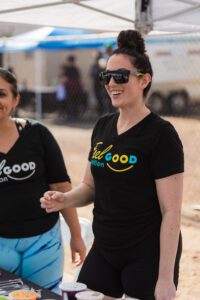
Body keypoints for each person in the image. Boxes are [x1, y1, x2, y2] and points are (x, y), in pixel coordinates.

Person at [40, 30, 184, 300]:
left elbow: (171, 212)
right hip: (105, 245)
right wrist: (65, 199)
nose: (111, 83)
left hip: (146, 251)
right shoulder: (103, 125)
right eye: (107, 76)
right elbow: (89, 186)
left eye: (121, 76)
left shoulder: (161, 134)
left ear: (144, 80)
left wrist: (165, 278)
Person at [0, 68, 86, 293]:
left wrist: (76, 236)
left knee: (45, 296)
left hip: (43, 243)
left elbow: (61, 187)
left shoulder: (37, 133)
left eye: (1, 94)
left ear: (15, 99)